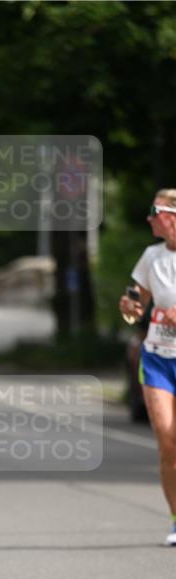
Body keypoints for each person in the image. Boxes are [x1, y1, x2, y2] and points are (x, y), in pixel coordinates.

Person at [119, 188, 176, 547]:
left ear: (172, 214)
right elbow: (133, 303)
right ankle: (175, 519)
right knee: (168, 441)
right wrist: (130, 305)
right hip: (156, 358)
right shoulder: (151, 256)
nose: (149, 218)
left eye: (154, 210)